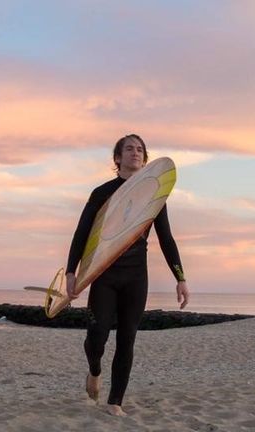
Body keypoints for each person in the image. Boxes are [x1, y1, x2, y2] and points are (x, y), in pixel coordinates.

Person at [65, 134, 189, 417]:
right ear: (117, 158)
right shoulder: (101, 193)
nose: (135, 152)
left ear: (145, 159)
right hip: (105, 275)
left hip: (136, 277)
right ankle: (94, 371)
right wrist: (72, 271)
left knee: (127, 339)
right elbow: (82, 233)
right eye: (129, 149)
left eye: (140, 149)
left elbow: (166, 239)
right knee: (97, 337)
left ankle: (115, 402)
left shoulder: (153, 199)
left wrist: (180, 277)